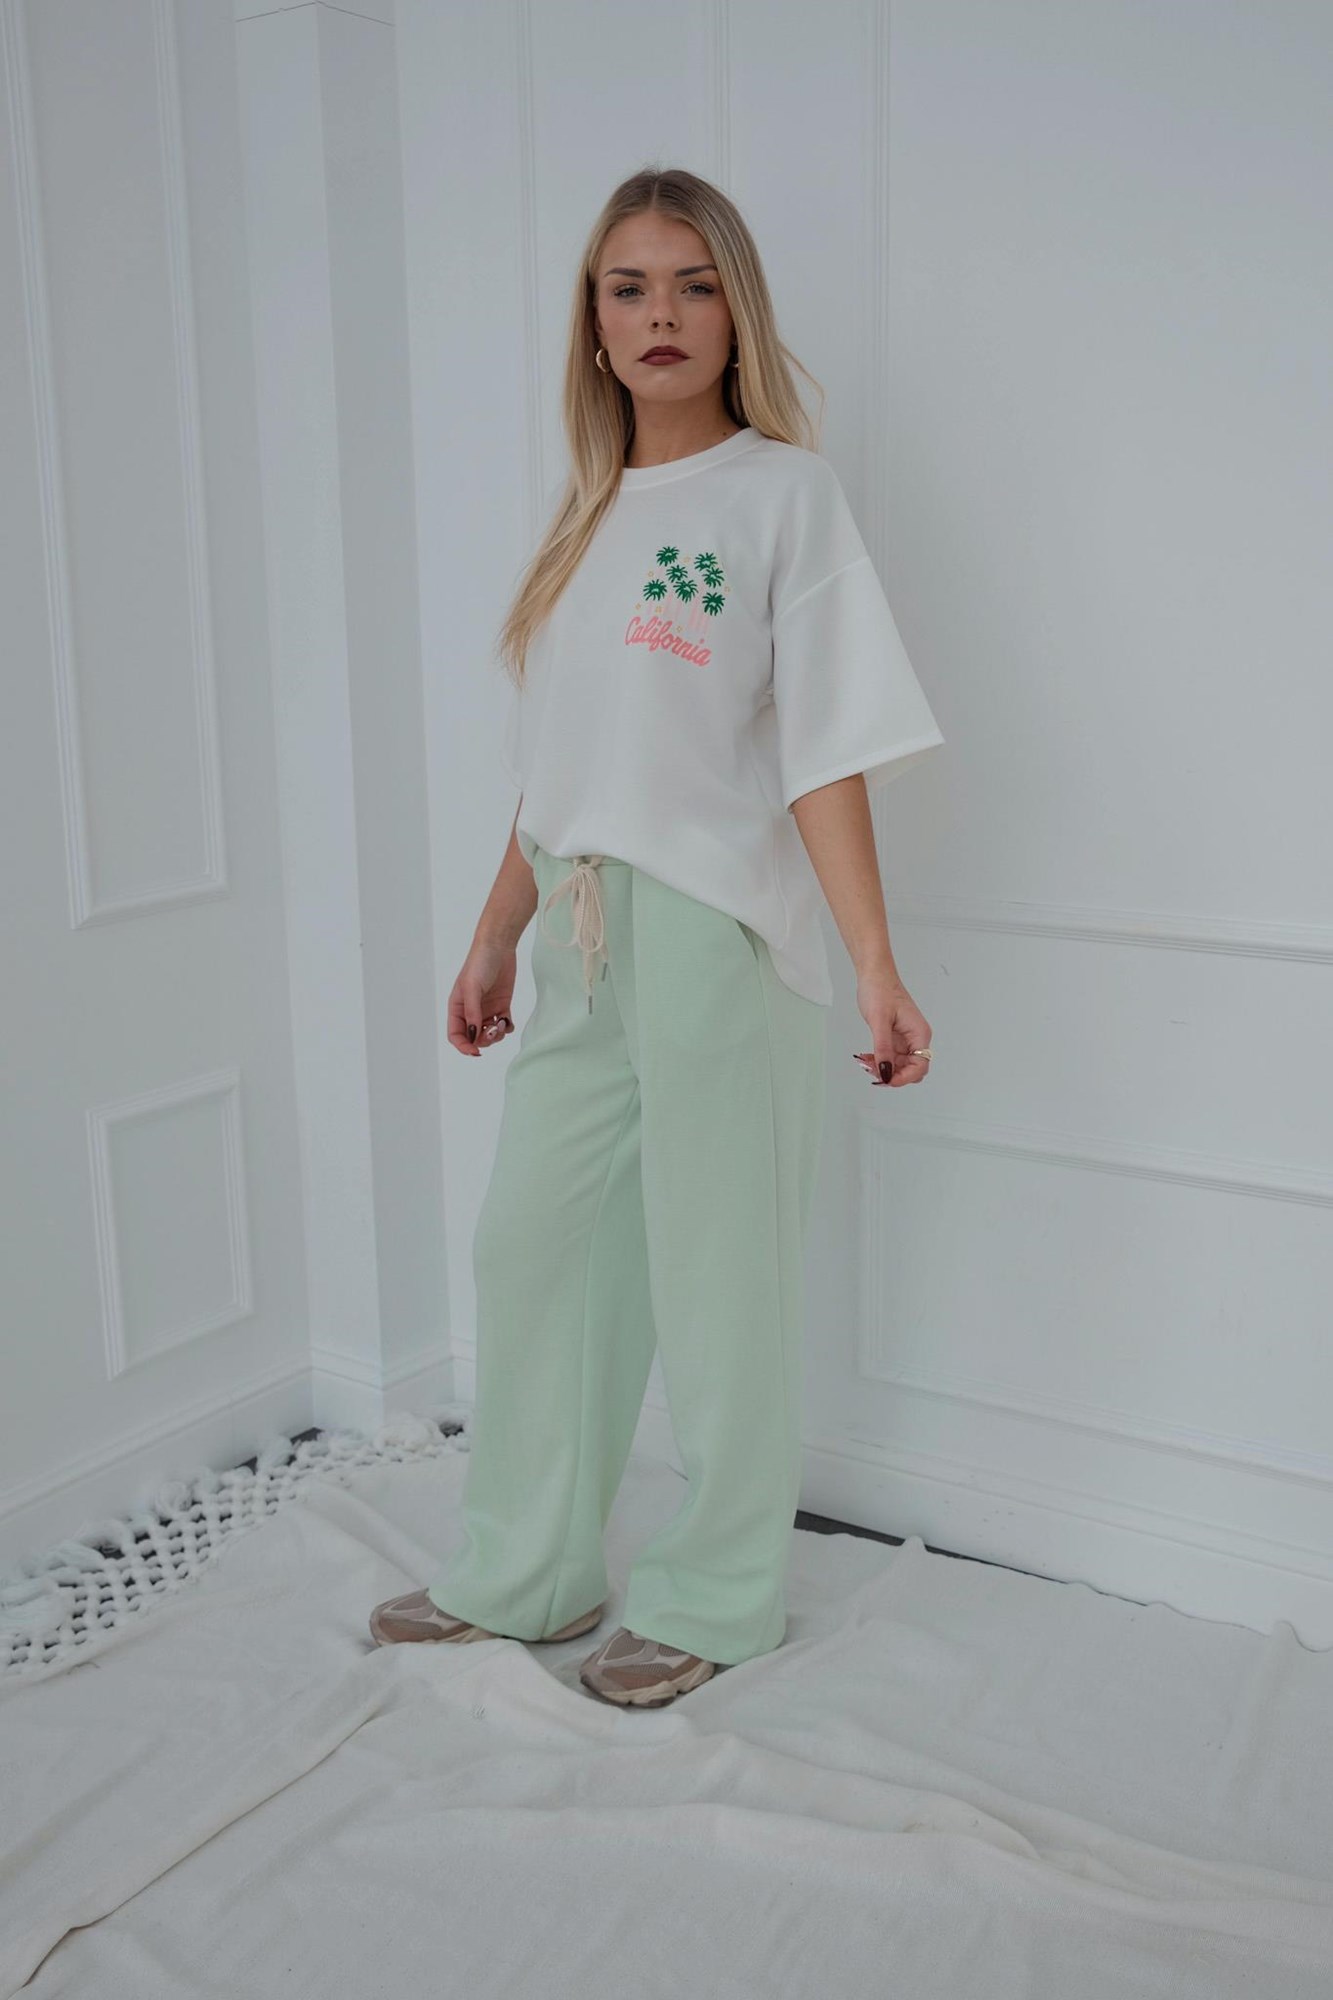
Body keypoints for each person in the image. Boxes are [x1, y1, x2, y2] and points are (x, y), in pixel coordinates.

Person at [370, 165, 944, 1708]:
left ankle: (713, 1597)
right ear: (594, 324)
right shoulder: (584, 519)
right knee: (535, 1247)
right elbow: (558, 769)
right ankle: (527, 1568)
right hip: (575, 924)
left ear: (733, 311)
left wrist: (874, 964)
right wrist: (493, 936)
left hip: (714, 933)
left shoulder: (782, 496)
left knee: (716, 1275)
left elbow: (825, 750)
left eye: (693, 284)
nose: (661, 314)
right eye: (628, 287)